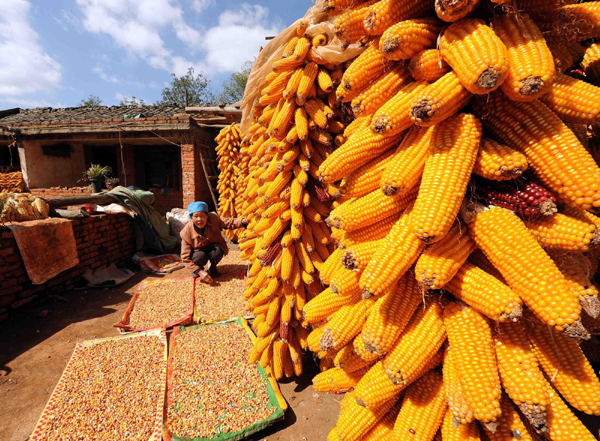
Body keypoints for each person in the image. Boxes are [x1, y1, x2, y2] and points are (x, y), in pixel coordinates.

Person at [180, 201, 248, 282]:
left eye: (202, 216)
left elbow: (228, 222)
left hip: (213, 247)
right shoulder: (186, 233)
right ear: (191, 218)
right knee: (199, 257)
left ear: (207, 216)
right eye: (196, 216)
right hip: (198, 252)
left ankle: (213, 268)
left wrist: (243, 221)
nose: (199, 220)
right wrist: (200, 272)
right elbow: (185, 258)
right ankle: (198, 269)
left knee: (217, 252)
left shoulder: (214, 219)